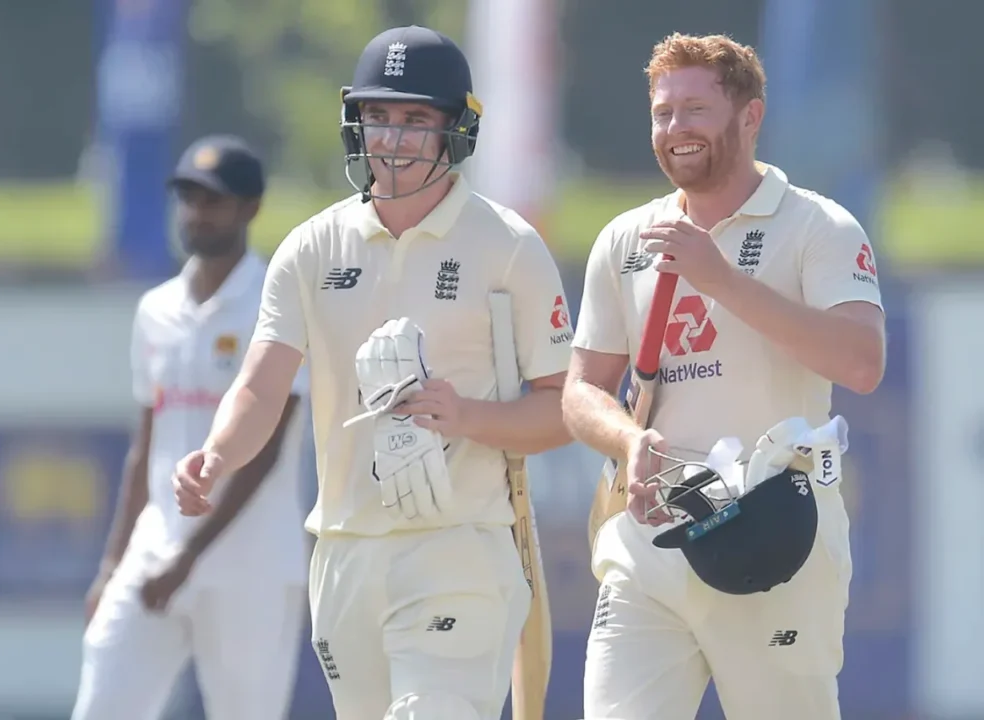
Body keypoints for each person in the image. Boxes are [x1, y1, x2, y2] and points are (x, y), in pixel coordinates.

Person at [171, 25, 573, 720]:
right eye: (377, 117)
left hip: (462, 544)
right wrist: (217, 454)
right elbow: (262, 386)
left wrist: (467, 416)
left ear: (457, 129)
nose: (391, 139)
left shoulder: (507, 248)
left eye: (415, 120)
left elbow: (563, 406)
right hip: (346, 549)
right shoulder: (311, 248)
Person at [562, 32, 886, 720]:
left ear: (750, 116)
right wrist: (626, 442)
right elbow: (582, 392)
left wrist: (722, 280)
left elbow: (862, 361)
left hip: (777, 535)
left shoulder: (818, 226)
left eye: (695, 110)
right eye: (662, 112)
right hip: (649, 540)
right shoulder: (625, 240)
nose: (675, 129)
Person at [72, 135, 311, 720]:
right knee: (101, 706)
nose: (197, 213)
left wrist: (191, 558)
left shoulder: (276, 303)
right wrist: (113, 565)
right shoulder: (156, 308)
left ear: (250, 208)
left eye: (214, 200)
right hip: (153, 553)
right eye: (188, 198)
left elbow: (266, 450)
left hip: (249, 565)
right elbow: (145, 445)